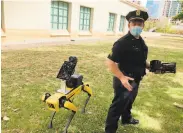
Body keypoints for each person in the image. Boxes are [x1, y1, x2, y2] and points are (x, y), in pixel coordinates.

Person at [105, 10, 150, 133]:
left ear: (143, 26)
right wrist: (122, 78)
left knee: (129, 102)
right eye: (134, 23)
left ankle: (126, 119)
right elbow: (110, 62)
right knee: (117, 107)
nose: (137, 26)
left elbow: (140, 58)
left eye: (139, 23)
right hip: (125, 80)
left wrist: (149, 66)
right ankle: (110, 130)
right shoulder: (122, 43)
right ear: (129, 25)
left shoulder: (140, 40)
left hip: (136, 78)